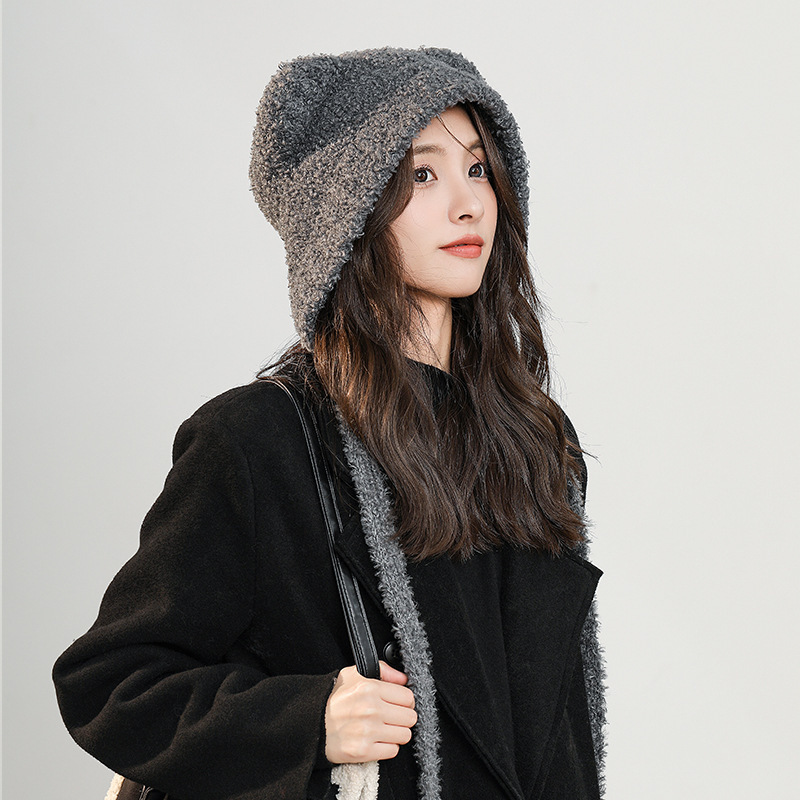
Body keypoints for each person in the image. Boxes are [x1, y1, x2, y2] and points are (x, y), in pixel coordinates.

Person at [53, 46, 607, 800]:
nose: (469, 204)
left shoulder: (534, 442)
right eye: (421, 175)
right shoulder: (260, 440)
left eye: (479, 168)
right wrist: (309, 719)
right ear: (345, 210)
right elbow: (111, 683)